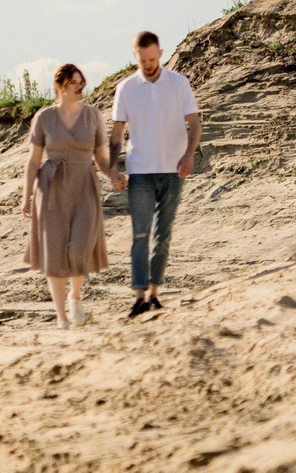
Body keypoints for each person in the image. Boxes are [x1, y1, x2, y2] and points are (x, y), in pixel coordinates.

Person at [109, 30, 199, 319]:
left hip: (173, 170)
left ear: (160, 53)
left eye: (152, 57)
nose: (148, 63)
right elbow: (117, 133)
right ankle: (138, 297)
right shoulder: (126, 88)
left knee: (163, 236)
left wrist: (189, 154)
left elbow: (195, 123)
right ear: (135, 56)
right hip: (140, 171)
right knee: (140, 234)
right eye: (142, 59)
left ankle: (154, 294)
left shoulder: (179, 83)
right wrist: (113, 169)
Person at [23, 63, 119, 327]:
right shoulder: (44, 117)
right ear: (60, 86)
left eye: (81, 83)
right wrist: (26, 195)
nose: (80, 87)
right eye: (74, 83)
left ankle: (74, 296)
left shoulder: (93, 116)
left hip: (84, 185)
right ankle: (62, 317)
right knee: (54, 255)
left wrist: (113, 175)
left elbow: (101, 157)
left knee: (80, 249)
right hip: (50, 186)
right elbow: (33, 160)